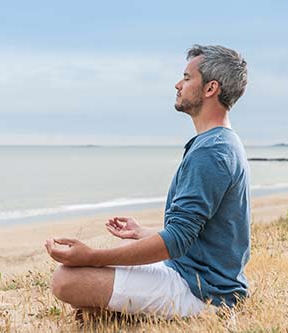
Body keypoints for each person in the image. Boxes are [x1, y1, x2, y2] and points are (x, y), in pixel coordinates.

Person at [45, 44, 250, 318]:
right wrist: (142, 232)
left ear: (210, 88)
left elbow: (177, 239)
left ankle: (131, 313)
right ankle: (115, 311)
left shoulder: (212, 151)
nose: (178, 84)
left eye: (187, 78)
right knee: (114, 258)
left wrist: (91, 256)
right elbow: (194, 233)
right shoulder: (219, 142)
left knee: (65, 280)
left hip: (203, 292)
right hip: (189, 271)